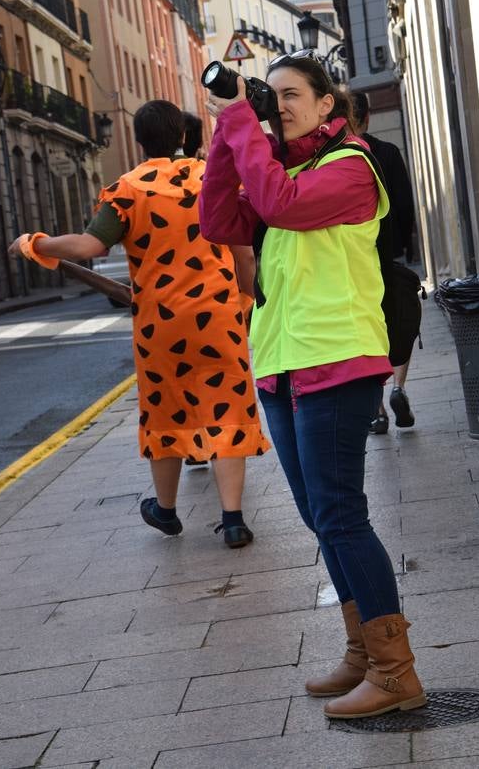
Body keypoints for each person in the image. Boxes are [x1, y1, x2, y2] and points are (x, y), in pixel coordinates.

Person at [200, 54, 425, 718]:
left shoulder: (351, 166)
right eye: (270, 97)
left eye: (292, 94)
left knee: (340, 514)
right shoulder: (280, 167)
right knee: (317, 516)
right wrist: (225, 133)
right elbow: (218, 219)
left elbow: (278, 206)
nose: (280, 105)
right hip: (281, 365)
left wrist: (243, 121)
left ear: (328, 104)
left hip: (337, 359)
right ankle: (362, 652)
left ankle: (395, 671)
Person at [8, 100, 270, 549]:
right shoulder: (214, 179)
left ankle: (166, 512)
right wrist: (246, 298)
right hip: (218, 318)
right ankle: (232, 521)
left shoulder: (127, 189)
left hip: (160, 326)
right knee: (227, 409)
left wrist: (35, 244)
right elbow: (243, 251)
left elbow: (90, 246)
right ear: (183, 137)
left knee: (165, 413)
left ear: (140, 141)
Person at [349, 92, 417, 434]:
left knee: (367, 329)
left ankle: (375, 408)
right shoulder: (387, 152)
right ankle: (399, 388)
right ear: (368, 116)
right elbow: (404, 205)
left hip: (354, 261)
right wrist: (403, 245)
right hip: (387, 256)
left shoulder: (338, 159)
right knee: (400, 320)